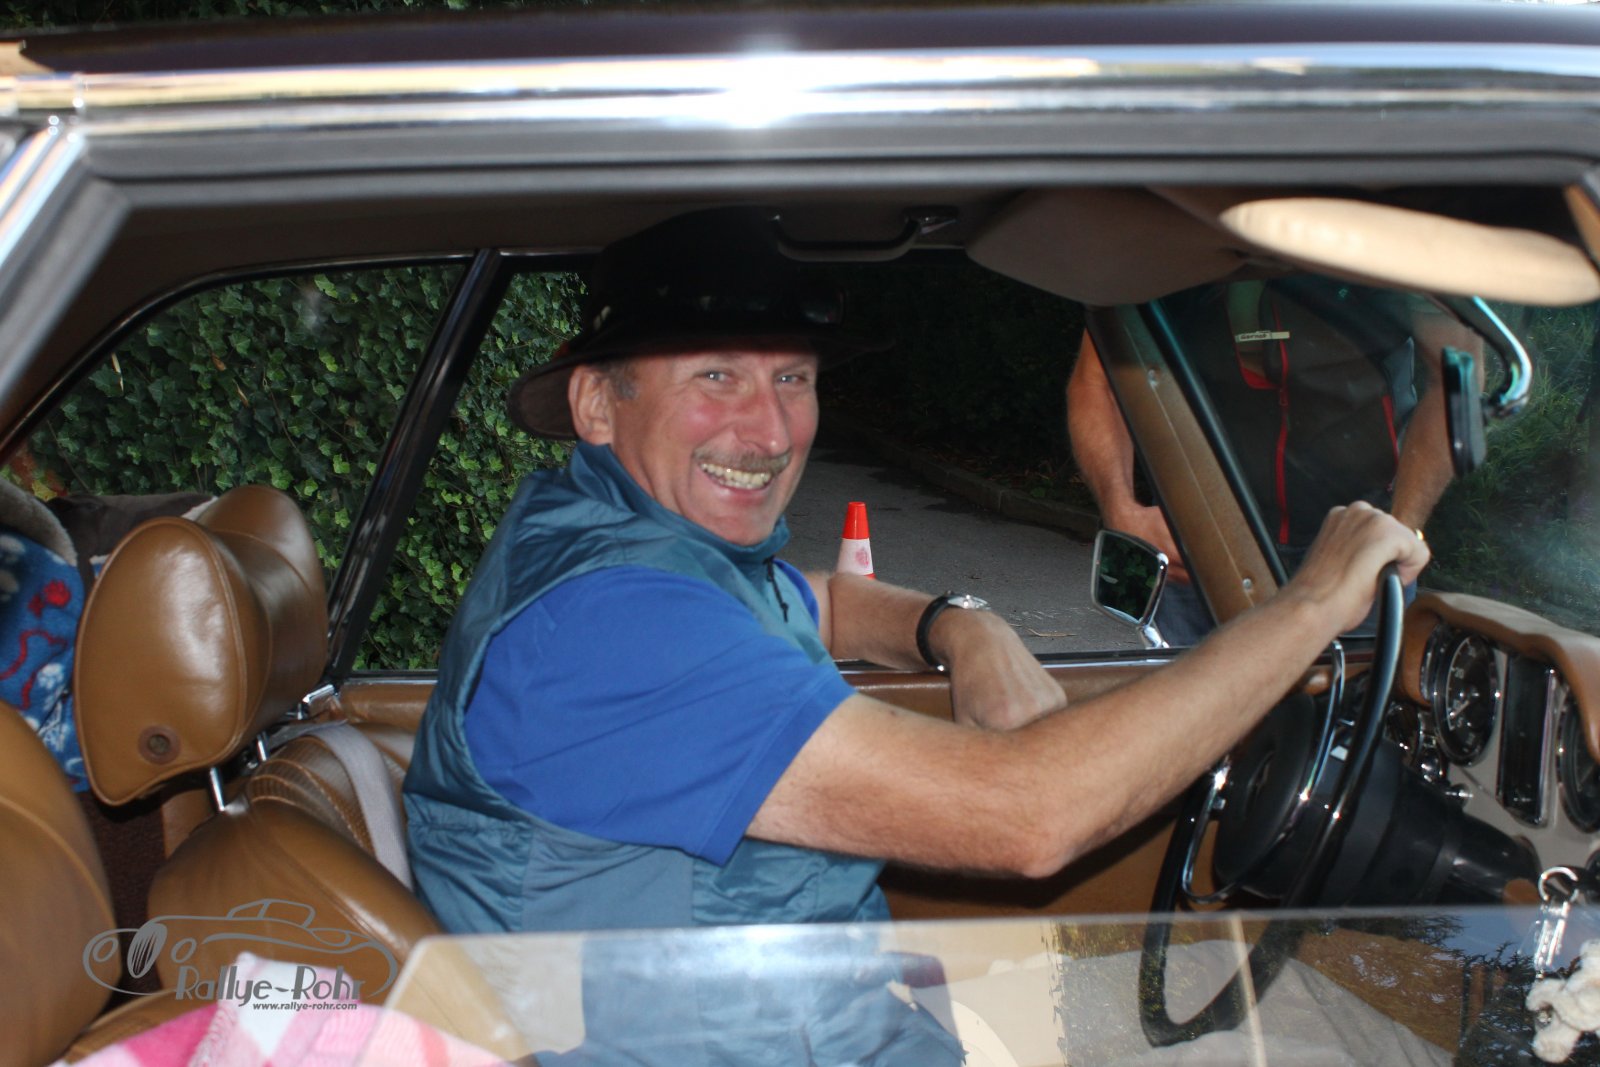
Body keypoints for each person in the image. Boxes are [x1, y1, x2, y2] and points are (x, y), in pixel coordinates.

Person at [402, 209, 1428, 1063]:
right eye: (715, 376)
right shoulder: (615, 624)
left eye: (792, 378)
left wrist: (956, 625)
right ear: (596, 403)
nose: (770, 431)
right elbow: (1029, 816)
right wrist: (1308, 605)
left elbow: (819, 599)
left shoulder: (636, 544)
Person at [1068, 276, 1467, 644]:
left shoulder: (1398, 238)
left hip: (1358, 544)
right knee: (1195, 698)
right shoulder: (1168, 234)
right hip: (1195, 542)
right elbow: (1098, 377)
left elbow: (1457, 381)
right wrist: (1121, 510)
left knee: (1356, 696)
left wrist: (1399, 530)